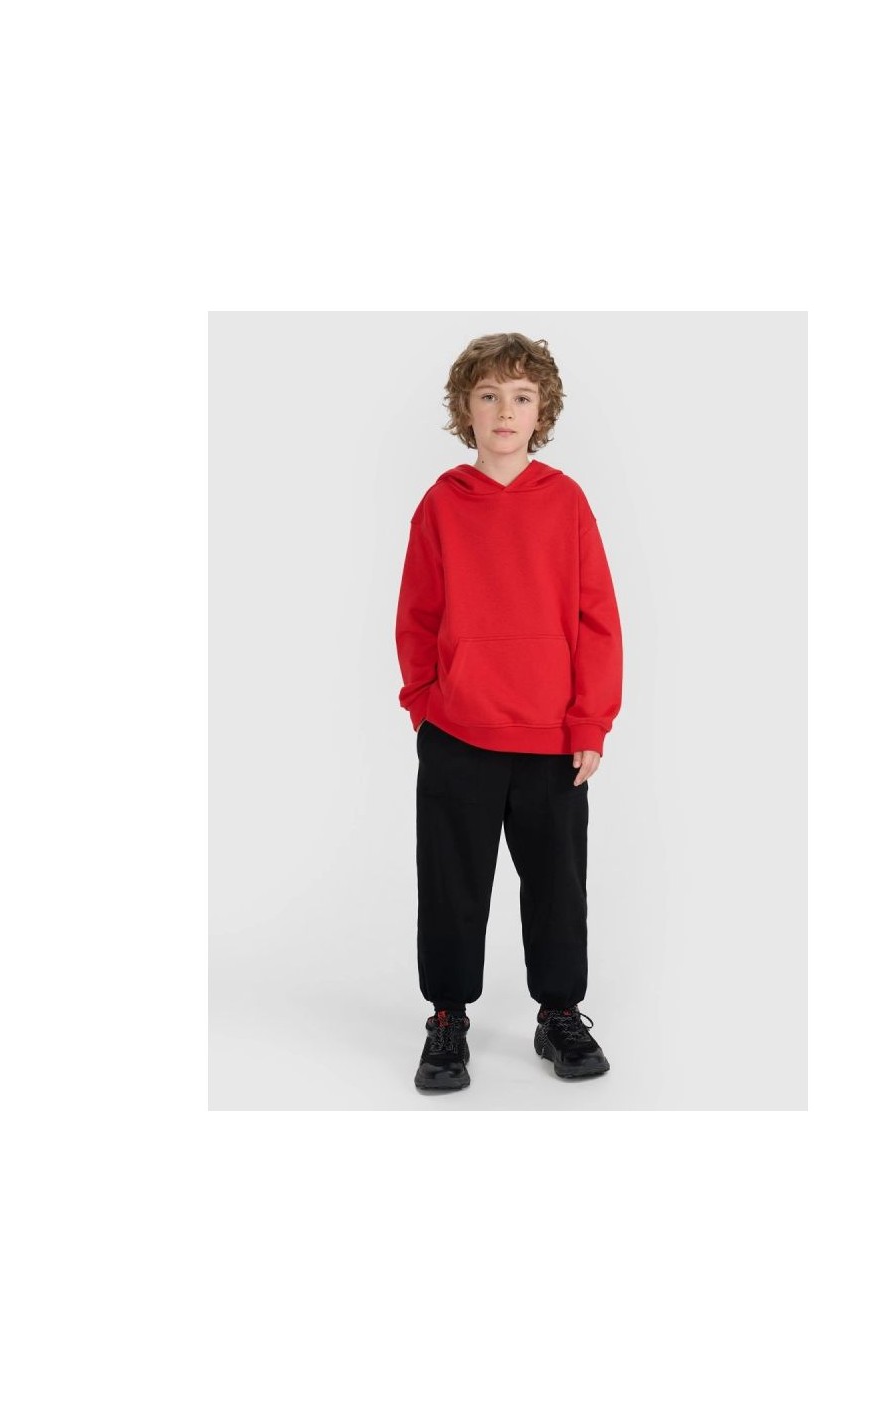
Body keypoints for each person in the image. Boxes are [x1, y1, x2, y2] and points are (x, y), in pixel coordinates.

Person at [394, 332, 623, 1092]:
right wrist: (426, 706)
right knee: (451, 886)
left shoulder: (566, 502)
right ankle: (447, 1018)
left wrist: (590, 723)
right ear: (465, 408)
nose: (504, 410)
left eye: (521, 397)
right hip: (458, 733)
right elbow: (417, 616)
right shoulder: (442, 504)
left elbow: (597, 619)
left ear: (541, 411)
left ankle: (559, 1013)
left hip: (553, 738)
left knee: (557, 886)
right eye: (488, 395)